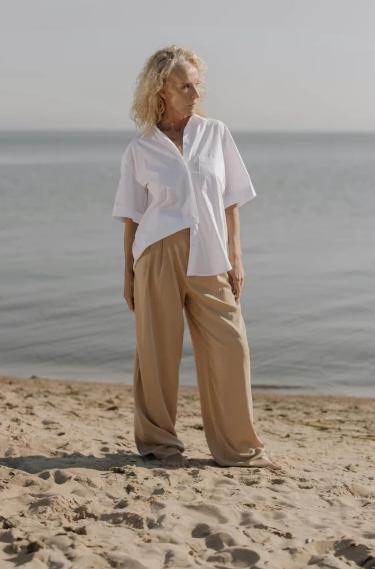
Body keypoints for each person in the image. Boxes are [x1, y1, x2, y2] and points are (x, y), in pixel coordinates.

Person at [112, 46, 284, 471]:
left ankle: (237, 448)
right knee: (156, 352)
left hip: (210, 252)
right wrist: (129, 272)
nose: (195, 91)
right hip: (157, 253)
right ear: (162, 90)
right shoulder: (141, 148)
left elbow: (231, 201)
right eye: (184, 85)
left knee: (232, 345)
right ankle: (159, 445)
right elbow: (132, 216)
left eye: (196, 84)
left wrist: (236, 257)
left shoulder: (216, 133)